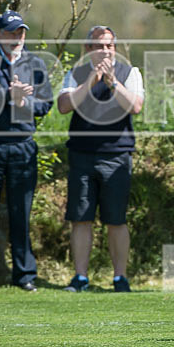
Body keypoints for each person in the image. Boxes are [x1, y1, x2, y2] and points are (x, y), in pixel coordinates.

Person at [0, 10, 53, 292]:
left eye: (20, 32)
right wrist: (9, 95)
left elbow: (45, 104)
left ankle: (24, 275)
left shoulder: (35, 63)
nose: (17, 38)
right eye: (10, 33)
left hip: (22, 145)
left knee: (21, 212)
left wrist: (23, 103)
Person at [58, 26, 144, 293]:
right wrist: (91, 81)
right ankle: (80, 278)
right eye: (99, 46)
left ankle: (120, 278)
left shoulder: (130, 73)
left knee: (116, 220)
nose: (105, 51)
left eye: (109, 45)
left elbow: (136, 106)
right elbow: (64, 106)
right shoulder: (75, 73)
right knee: (81, 219)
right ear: (88, 49)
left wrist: (112, 83)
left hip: (117, 156)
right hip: (82, 154)